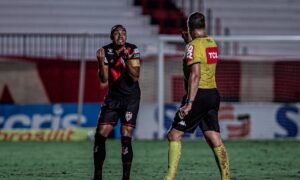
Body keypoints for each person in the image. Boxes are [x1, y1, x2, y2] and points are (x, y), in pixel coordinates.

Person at [164, 12, 230, 180]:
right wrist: (190, 43)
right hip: (213, 94)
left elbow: (195, 75)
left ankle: (169, 178)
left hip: (198, 95)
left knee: (174, 135)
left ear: (189, 27)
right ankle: (226, 176)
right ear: (204, 26)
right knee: (212, 135)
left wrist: (189, 103)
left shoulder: (193, 46)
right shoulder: (211, 42)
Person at [93, 24, 141, 180]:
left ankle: (125, 178)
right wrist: (100, 62)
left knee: (125, 135)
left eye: (123, 33)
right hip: (113, 99)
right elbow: (103, 79)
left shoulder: (133, 50)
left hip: (130, 98)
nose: (120, 35)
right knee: (100, 135)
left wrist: (127, 61)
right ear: (111, 37)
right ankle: (97, 175)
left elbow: (135, 77)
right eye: (117, 33)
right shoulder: (105, 51)